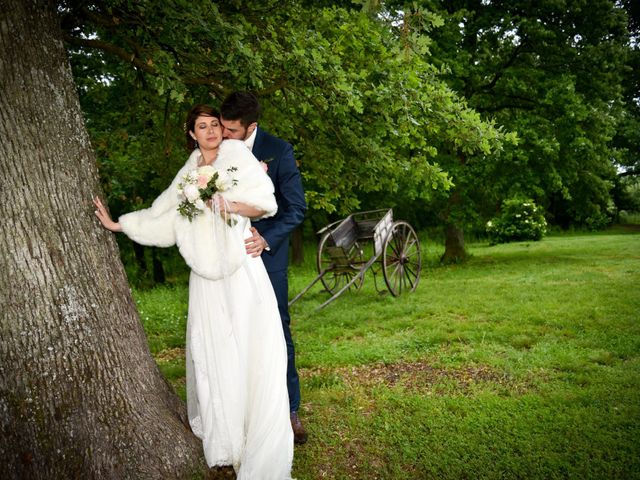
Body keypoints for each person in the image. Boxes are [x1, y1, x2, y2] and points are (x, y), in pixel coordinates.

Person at [93, 104, 293, 479]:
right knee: (216, 348)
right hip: (205, 275)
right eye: (202, 126)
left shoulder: (239, 157)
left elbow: (266, 203)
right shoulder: (188, 173)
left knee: (253, 344)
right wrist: (120, 225)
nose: (211, 131)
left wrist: (226, 203)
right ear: (192, 133)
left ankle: (260, 434)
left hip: (241, 266)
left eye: (215, 125)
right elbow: (163, 215)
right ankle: (227, 436)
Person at [220, 92, 308, 444]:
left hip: (267, 256)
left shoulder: (278, 150)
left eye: (232, 130)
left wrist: (265, 238)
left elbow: (296, 208)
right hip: (227, 257)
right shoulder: (217, 149)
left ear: (251, 127)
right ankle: (241, 410)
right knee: (233, 329)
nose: (224, 135)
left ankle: (290, 409)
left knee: (276, 327)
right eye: (222, 128)